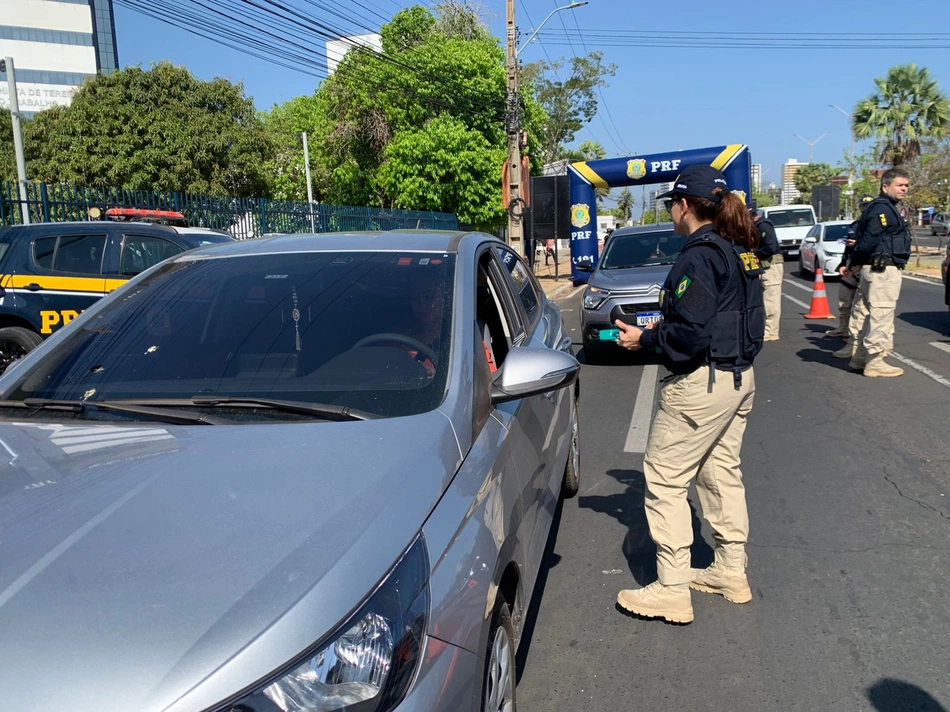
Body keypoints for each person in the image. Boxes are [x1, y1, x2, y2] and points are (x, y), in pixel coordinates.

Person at [612, 165, 765, 625]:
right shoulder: (737, 248)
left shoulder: (698, 256)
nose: (672, 214)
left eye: (672, 206)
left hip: (702, 383)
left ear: (683, 206)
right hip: (738, 379)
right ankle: (730, 570)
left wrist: (645, 339)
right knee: (720, 472)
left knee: (664, 480)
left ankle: (673, 589)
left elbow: (691, 332)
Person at [848, 168, 912, 377]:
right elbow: (868, 241)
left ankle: (859, 358)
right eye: (899, 185)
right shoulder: (882, 209)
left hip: (878, 268)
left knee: (870, 315)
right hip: (881, 270)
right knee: (881, 315)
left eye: (906, 185)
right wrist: (855, 262)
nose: (904, 189)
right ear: (885, 187)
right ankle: (875, 361)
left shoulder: (886, 208)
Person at [829, 196, 873, 346]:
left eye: (868, 205)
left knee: (863, 304)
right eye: (863, 205)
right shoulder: (856, 224)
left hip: (865, 265)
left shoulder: (874, 225)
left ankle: (860, 336)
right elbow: (847, 247)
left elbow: (873, 244)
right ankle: (843, 328)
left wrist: (858, 243)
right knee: (844, 298)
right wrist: (843, 264)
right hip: (851, 263)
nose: (865, 208)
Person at [750, 201, 782, 341]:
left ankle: (772, 331)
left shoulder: (763, 225)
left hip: (771, 265)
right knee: (764, 298)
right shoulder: (757, 226)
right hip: (764, 265)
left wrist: (754, 252)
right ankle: (767, 329)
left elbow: (771, 247)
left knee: (771, 299)